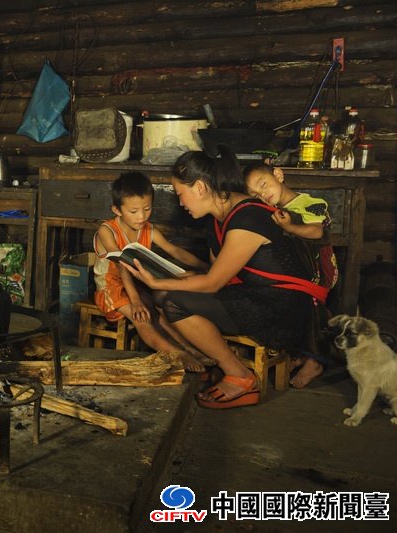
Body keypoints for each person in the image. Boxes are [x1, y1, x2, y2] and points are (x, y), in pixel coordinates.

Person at [122, 146, 321, 409]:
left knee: (174, 303)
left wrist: (156, 281)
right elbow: (216, 271)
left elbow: (213, 282)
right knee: (162, 296)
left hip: (282, 306)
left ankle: (240, 376)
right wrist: (174, 279)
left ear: (200, 188)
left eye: (181, 195)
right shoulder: (217, 217)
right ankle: (207, 361)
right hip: (255, 293)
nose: (181, 203)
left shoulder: (247, 218)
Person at [93, 172, 210, 372]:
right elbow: (121, 265)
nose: (141, 216)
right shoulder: (107, 230)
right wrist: (136, 301)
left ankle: (191, 349)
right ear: (117, 210)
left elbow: (176, 252)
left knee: (162, 315)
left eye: (147, 209)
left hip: (138, 282)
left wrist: (206, 267)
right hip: (111, 287)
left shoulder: (148, 229)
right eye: (134, 211)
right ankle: (177, 354)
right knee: (143, 319)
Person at [243, 162, 338, 388]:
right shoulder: (272, 210)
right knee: (297, 308)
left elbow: (317, 231)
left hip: (318, 270)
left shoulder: (310, 203)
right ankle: (301, 354)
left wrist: (290, 228)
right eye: (255, 194)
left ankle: (316, 361)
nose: (263, 194)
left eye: (263, 184)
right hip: (297, 270)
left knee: (314, 311)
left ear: (278, 174)